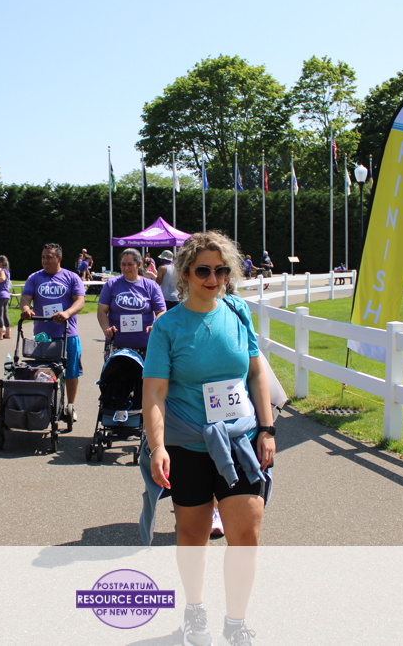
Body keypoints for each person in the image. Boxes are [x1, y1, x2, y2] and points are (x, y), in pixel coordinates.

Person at [142, 230, 274, 646]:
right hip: (189, 444)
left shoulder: (237, 311)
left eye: (221, 270)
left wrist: (267, 428)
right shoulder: (168, 327)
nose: (213, 279)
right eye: (203, 270)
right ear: (185, 273)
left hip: (240, 442)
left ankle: (236, 622)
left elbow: (256, 372)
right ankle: (195, 611)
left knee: (246, 536)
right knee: (193, 534)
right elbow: (155, 392)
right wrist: (158, 446)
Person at [20, 243, 86, 424]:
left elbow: (80, 301)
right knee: (42, 371)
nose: (45, 261)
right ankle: (43, 404)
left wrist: (67, 313)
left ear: (59, 258)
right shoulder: (35, 278)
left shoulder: (71, 277)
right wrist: (26, 309)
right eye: (43, 257)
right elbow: (25, 297)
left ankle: (70, 405)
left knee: (71, 372)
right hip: (43, 336)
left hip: (67, 334)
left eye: (49, 257)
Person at [97, 248, 166, 356]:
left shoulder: (151, 286)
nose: (126, 268)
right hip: (117, 345)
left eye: (130, 264)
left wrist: (155, 324)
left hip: (145, 345)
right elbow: (102, 310)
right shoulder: (111, 284)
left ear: (139, 264)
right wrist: (106, 328)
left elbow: (161, 311)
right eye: (123, 264)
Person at [0, 255, 12, 340]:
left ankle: (0, 334)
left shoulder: (1, 270)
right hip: (6, 294)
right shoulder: (7, 271)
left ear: (1, 263)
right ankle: (8, 333)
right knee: (5, 315)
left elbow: (2, 278)